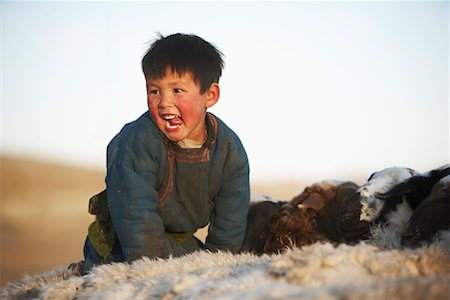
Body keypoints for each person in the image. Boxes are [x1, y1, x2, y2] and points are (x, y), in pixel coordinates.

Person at [69, 33, 250, 275]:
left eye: (177, 90)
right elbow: (135, 215)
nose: (164, 103)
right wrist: (157, 272)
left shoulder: (229, 150)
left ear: (210, 95)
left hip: (179, 243)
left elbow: (230, 224)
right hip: (126, 243)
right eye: (154, 91)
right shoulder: (138, 140)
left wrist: (216, 270)